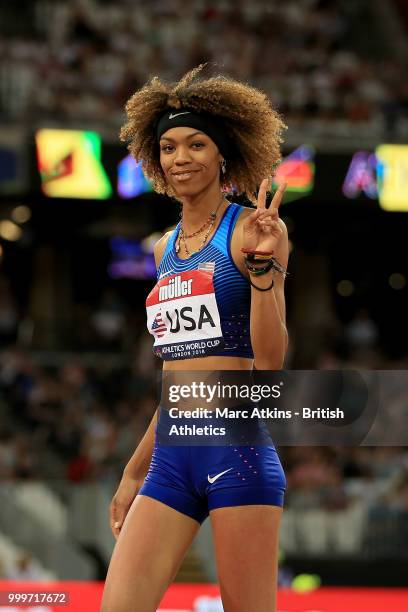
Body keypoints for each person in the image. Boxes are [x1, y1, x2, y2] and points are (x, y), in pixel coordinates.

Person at [101, 64, 289, 612]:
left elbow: (271, 360)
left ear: (223, 153)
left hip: (238, 449)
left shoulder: (252, 231)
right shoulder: (162, 250)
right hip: (171, 460)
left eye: (196, 144)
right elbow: (178, 382)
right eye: (168, 147)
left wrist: (261, 271)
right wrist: (134, 470)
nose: (180, 158)